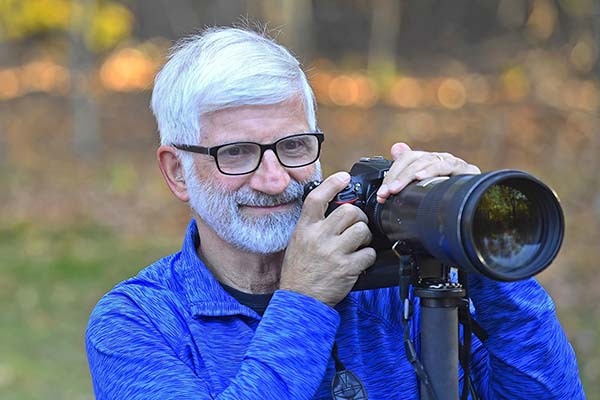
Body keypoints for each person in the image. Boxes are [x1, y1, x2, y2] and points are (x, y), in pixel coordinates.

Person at [85, 26, 585, 399]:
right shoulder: (137, 323)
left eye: (294, 145)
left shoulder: (399, 281)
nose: (275, 178)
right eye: (235, 152)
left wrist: (472, 231)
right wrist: (304, 302)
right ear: (176, 172)